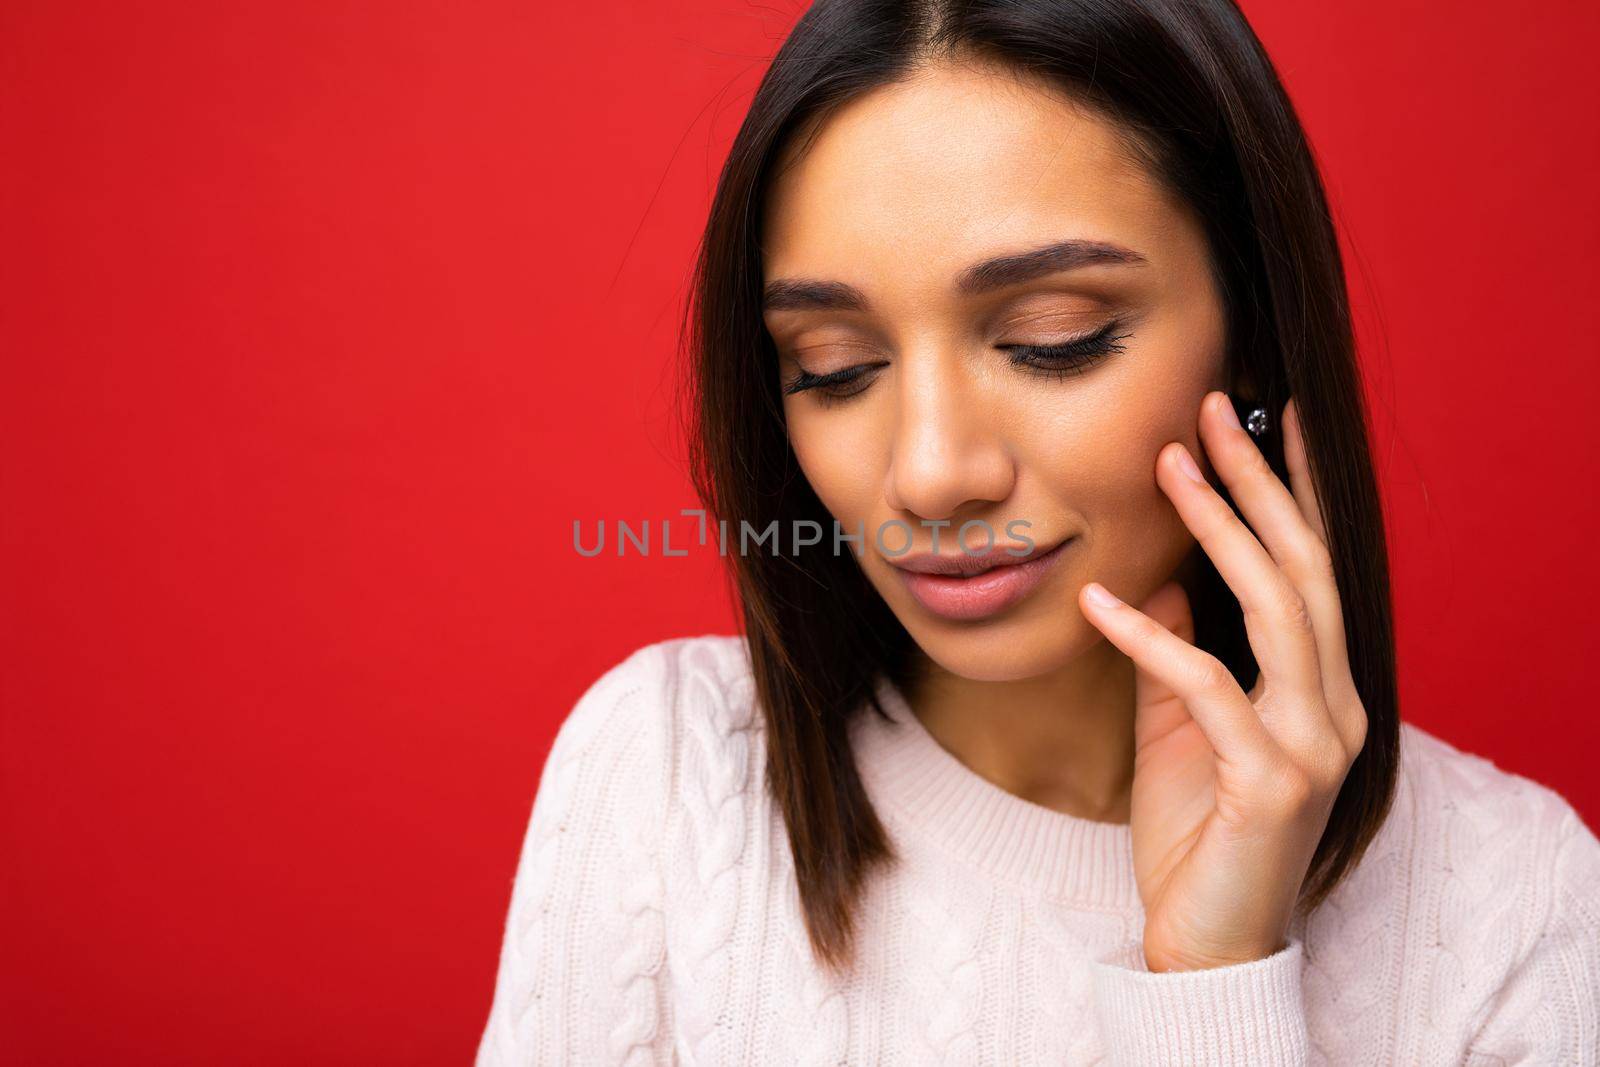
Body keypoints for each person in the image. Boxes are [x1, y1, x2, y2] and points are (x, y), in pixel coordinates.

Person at [476, 0, 1600, 1063]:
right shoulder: (669, 775)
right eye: (835, 365)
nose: (928, 472)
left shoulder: (1513, 899)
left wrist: (1212, 981)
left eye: (1052, 339)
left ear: (1251, 331)